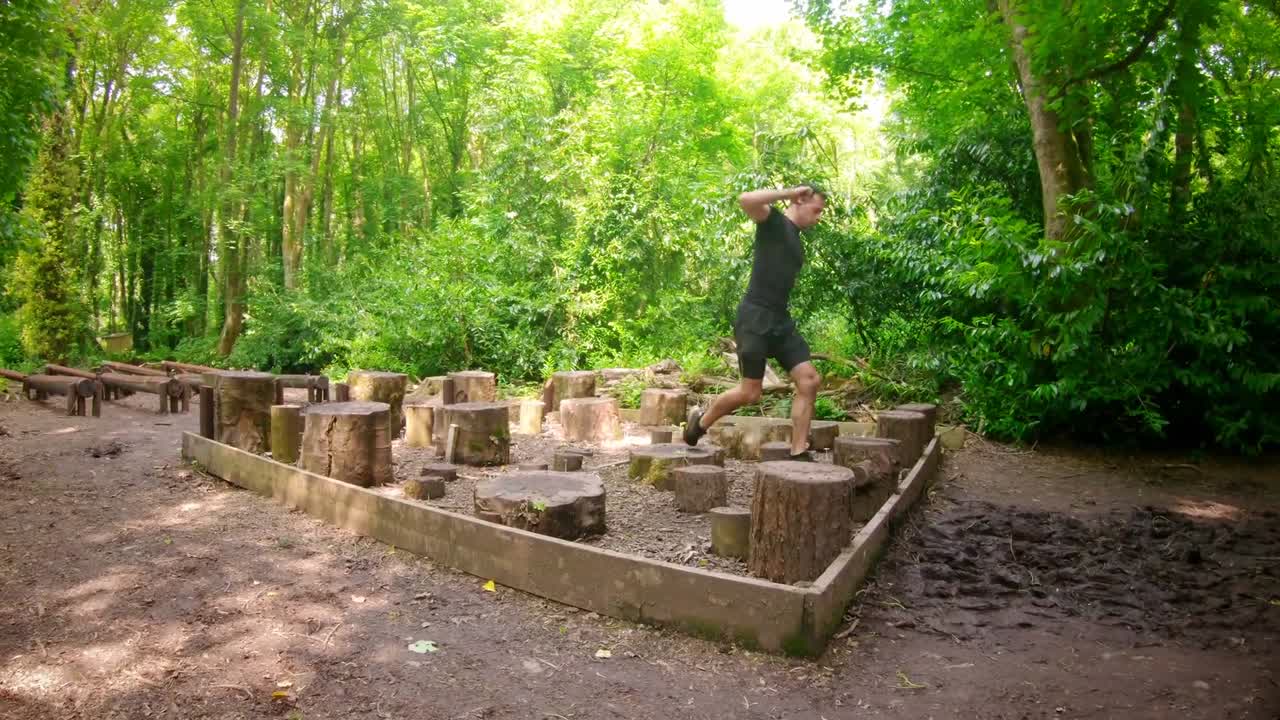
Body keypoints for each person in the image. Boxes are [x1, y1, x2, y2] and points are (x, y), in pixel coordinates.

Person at [683, 184, 827, 458]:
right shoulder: (774, 223)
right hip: (755, 317)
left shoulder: (796, 238)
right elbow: (746, 199)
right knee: (751, 393)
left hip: (780, 319)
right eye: (816, 210)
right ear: (799, 201)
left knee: (809, 380)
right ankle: (700, 423)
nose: (818, 217)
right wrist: (788, 193)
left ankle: (798, 451)